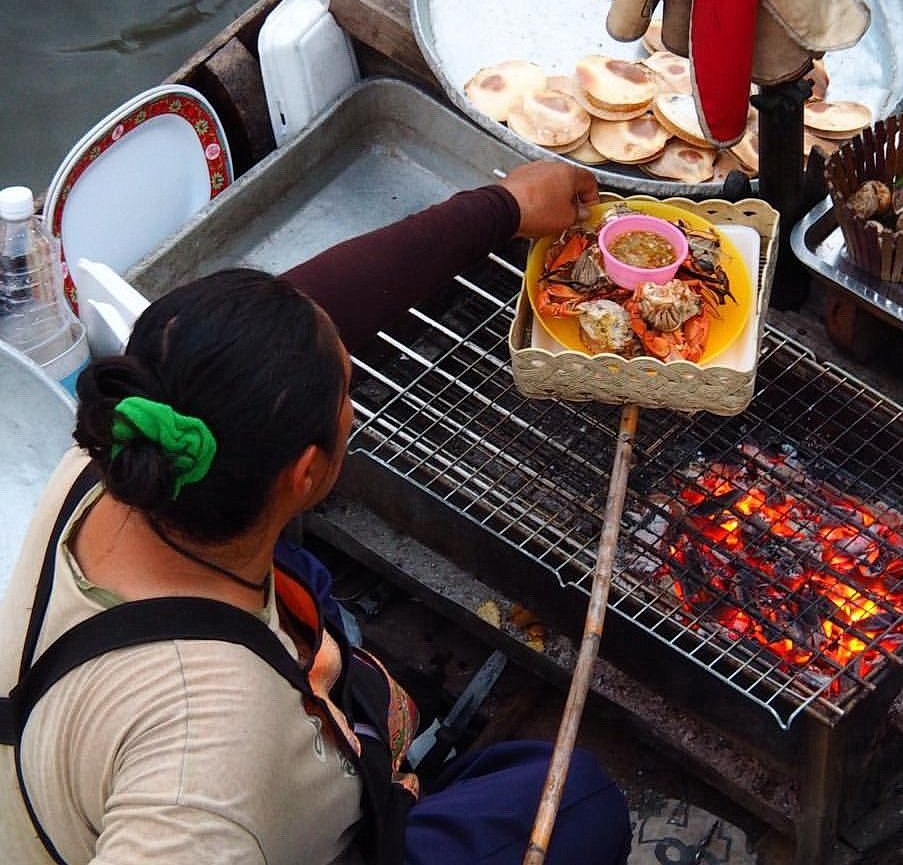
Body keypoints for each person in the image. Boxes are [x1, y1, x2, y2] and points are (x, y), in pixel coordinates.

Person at [0, 160, 632, 865]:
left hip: (126, 733)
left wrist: (504, 206)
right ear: (305, 474)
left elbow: (302, 323)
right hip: (287, 818)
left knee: (314, 591)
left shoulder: (125, 443)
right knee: (579, 802)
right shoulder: (204, 773)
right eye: (347, 391)